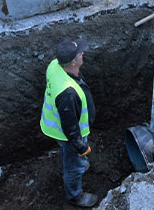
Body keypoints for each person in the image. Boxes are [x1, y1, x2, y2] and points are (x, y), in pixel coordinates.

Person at [40, 38, 98, 208]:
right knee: (73, 167)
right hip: (67, 135)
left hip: (59, 123)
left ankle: (78, 166)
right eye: (80, 53)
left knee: (74, 160)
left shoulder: (55, 65)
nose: (83, 53)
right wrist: (80, 147)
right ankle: (75, 195)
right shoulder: (68, 94)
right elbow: (70, 128)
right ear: (73, 61)